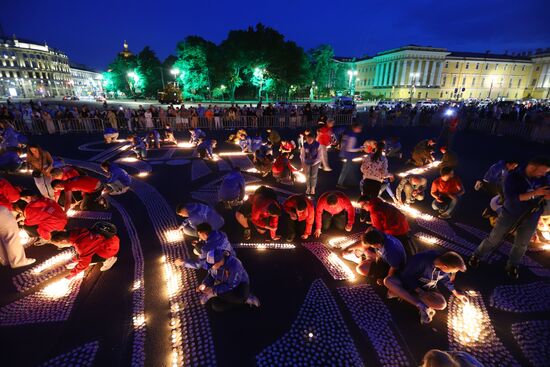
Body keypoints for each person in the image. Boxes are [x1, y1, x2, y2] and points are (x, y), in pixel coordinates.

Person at [469, 156, 550, 279]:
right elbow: (513, 198)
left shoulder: (544, 178)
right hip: (510, 213)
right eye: (542, 171)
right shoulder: (513, 176)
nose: (544, 174)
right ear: (532, 168)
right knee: (494, 238)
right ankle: (477, 255)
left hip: (532, 215)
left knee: (522, 244)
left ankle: (513, 264)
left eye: (546, 172)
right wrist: (535, 193)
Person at [384, 250, 468, 324]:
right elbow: (406, 276)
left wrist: (456, 293)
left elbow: (445, 279)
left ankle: (403, 295)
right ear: (445, 267)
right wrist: (420, 291)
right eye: (451, 271)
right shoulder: (421, 260)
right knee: (388, 281)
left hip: (428, 288)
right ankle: (420, 304)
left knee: (442, 304)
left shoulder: (442, 262)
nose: (451, 273)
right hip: (410, 284)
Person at [50, 222, 119, 279]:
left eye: (59, 245)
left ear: (64, 241)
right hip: (109, 241)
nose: (59, 247)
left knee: (87, 259)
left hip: (109, 249)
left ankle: (108, 259)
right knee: (83, 256)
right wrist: (75, 260)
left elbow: (84, 263)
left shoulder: (82, 246)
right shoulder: (74, 232)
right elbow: (84, 251)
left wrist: (72, 274)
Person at [337, 123, 363, 188]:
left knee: (347, 169)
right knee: (346, 169)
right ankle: (340, 183)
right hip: (349, 155)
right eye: (359, 128)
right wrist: (359, 149)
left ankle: (342, 182)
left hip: (345, 154)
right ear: (355, 128)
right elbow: (349, 148)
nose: (360, 129)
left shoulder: (348, 133)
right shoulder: (353, 136)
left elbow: (343, 143)